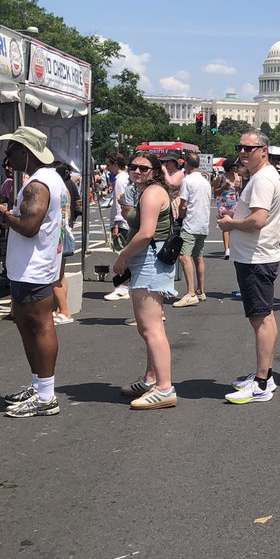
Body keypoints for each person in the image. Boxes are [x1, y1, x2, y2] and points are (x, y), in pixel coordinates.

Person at [0, 126, 69, 417]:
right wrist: (6, 207)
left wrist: (2, 213)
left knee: (39, 325)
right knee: (28, 325)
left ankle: (45, 396)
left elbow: (29, 227)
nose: (8, 157)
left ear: (26, 152)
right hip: (31, 267)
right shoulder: (45, 179)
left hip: (33, 268)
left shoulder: (37, 184)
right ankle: (39, 386)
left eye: (12, 150)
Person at [219, 131, 280, 404]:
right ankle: (264, 375)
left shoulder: (263, 179)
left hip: (256, 257)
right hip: (257, 255)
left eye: (249, 148)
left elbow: (257, 220)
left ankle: (261, 382)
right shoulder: (264, 177)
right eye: (241, 147)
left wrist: (230, 223)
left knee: (260, 318)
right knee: (264, 316)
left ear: (264, 150)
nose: (243, 152)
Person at [112, 152, 178, 409]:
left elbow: (146, 233)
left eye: (143, 167)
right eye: (133, 167)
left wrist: (122, 257)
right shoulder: (150, 191)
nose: (137, 171)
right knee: (150, 325)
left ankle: (164, 387)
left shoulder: (151, 193)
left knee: (151, 328)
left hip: (149, 257)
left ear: (154, 170)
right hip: (150, 258)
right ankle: (153, 378)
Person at [173, 151, 212, 308]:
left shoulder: (187, 181)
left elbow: (183, 204)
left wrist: (180, 216)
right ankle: (200, 290)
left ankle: (190, 293)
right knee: (198, 256)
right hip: (202, 223)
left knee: (184, 256)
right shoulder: (205, 181)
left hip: (190, 222)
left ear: (187, 164)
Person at [51, 162, 77, 326]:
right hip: (65, 233)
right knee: (60, 276)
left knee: (55, 278)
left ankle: (64, 311)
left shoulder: (56, 189)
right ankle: (61, 310)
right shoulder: (65, 189)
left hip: (57, 236)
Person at [104, 154, 132, 301]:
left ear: (116, 164)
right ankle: (124, 285)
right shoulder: (124, 178)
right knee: (125, 255)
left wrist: (116, 223)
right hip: (124, 222)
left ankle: (123, 287)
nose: (108, 169)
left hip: (122, 223)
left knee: (122, 255)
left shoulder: (120, 180)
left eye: (109, 165)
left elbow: (120, 203)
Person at [213, 159, 241, 260]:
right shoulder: (221, 177)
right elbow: (215, 192)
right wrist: (223, 187)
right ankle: (227, 249)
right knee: (225, 225)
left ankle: (233, 247)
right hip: (223, 203)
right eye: (234, 166)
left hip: (235, 203)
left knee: (234, 225)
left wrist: (238, 188)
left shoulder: (238, 178)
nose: (236, 168)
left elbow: (240, 192)